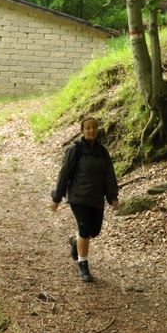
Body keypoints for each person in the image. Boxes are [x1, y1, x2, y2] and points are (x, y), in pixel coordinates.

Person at [50, 116, 119, 282]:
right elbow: (64, 173)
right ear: (82, 131)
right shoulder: (75, 149)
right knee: (85, 229)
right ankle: (83, 266)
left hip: (96, 198)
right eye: (87, 128)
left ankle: (76, 242)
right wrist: (57, 197)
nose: (91, 130)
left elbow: (109, 175)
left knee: (94, 231)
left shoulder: (102, 152)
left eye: (94, 127)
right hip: (78, 197)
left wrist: (112, 196)